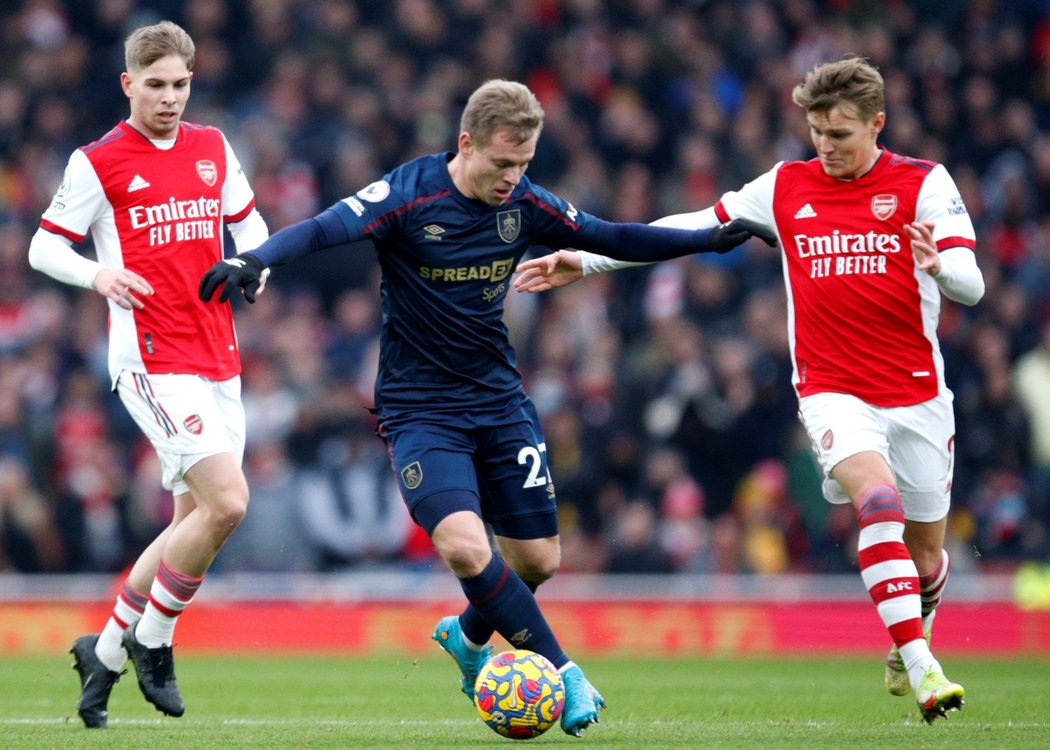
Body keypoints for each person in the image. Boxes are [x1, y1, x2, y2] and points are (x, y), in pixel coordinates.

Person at [198, 78, 773, 736]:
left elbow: (614, 236)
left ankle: (469, 640)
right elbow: (323, 228)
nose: (513, 178)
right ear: (466, 143)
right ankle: (563, 669)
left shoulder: (524, 203)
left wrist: (708, 237)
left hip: (499, 400)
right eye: (503, 163)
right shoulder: (409, 195)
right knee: (468, 549)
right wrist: (254, 257)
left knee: (537, 562)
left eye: (524, 163)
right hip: (421, 411)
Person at [513, 57, 983, 724]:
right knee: (876, 501)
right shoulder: (786, 187)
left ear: (877, 124)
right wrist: (586, 260)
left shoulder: (923, 184)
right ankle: (921, 665)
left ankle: (916, 621)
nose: (826, 145)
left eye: (842, 133)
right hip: (832, 391)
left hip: (917, 394)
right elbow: (692, 227)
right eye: (817, 131)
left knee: (928, 554)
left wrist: (944, 268)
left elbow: (972, 280)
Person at [28, 21, 269, 728]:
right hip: (152, 361)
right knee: (228, 502)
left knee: (192, 522)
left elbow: (252, 230)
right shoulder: (98, 161)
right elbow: (45, 247)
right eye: (155, 85)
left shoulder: (213, 147)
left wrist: (252, 265)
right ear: (129, 84)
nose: (169, 99)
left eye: (180, 84)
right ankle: (153, 641)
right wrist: (99, 274)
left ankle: (101, 653)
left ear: (193, 81)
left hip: (218, 356)